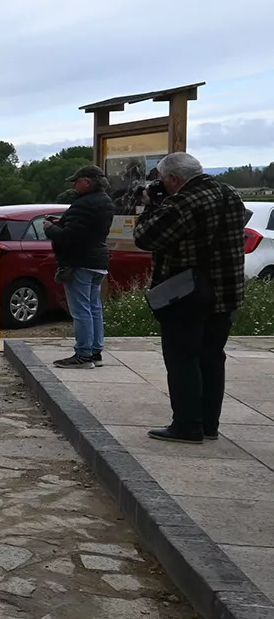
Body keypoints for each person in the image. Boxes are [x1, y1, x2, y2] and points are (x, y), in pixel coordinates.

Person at [133, 152, 249, 444]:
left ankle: (187, 425)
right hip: (226, 291)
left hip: (189, 294)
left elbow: (146, 238)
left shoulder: (184, 201)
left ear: (174, 178)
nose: (161, 185)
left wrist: (148, 207)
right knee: (212, 358)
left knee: (183, 358)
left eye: (163, 180)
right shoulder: (229, 193)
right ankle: (209, 424)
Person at [45, 164, 114, 369]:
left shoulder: (83, 204)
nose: (74, 185)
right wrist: (63, 221)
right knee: (94, 308)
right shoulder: (105, 202)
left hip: (79, 262)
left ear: (87, 182)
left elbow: (69, 237)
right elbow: (85, 229)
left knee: (81, 310)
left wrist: (50, 228)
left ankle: (83, 354)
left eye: (76, 181)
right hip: (98, 261)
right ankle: (95, 352)